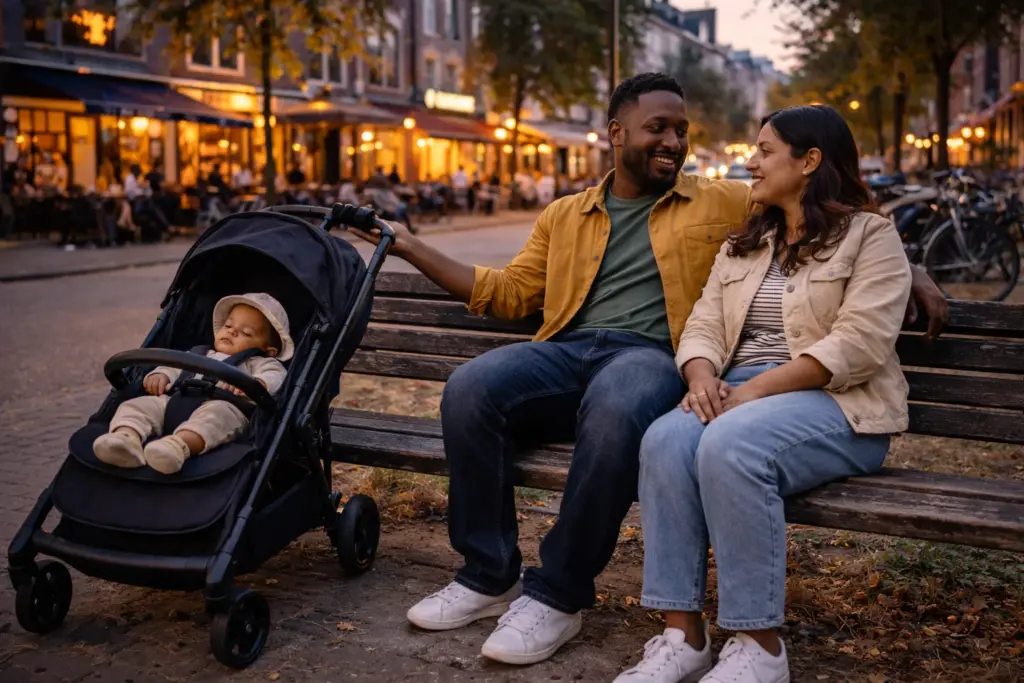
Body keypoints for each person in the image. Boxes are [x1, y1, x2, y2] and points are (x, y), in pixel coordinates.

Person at [348, 73, 948, 667]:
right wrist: (410, 245)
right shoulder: (565, 214)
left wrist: (910, 268)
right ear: (617, 132)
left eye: (681, 131)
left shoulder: (722, 199)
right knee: (469, 389)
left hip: (651, 357)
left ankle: (557, 594)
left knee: (620, 403)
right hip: (571, 350)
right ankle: (486, 575)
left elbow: (828, 210)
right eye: (658, 128)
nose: (673, 142)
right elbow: (505, 292)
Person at [614, 105, 913, 683]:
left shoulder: (870, 236)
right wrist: (701, 377)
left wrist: (752, 392)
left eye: (765, 151)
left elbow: (858, 345)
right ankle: (683, 636)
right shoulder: (748, 243)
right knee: (665, 440)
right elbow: (704, 323)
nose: (751, 162)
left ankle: (760, 646)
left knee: (731, 444)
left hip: (838, 405)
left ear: (809, 161)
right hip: (739, 394)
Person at [92, 293, 291, 475]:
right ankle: (125, 439)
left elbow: (276, 377)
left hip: (223, 406)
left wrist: (258, 383)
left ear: (269, 350)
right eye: (228, 326)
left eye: (246, 333)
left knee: (217, 419)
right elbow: (173, 367)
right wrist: (161, 375)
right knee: (138, 405)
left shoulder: (261, 362)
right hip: (173, 401)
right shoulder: (198, 353)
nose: (232, 332)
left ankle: (178, 447)